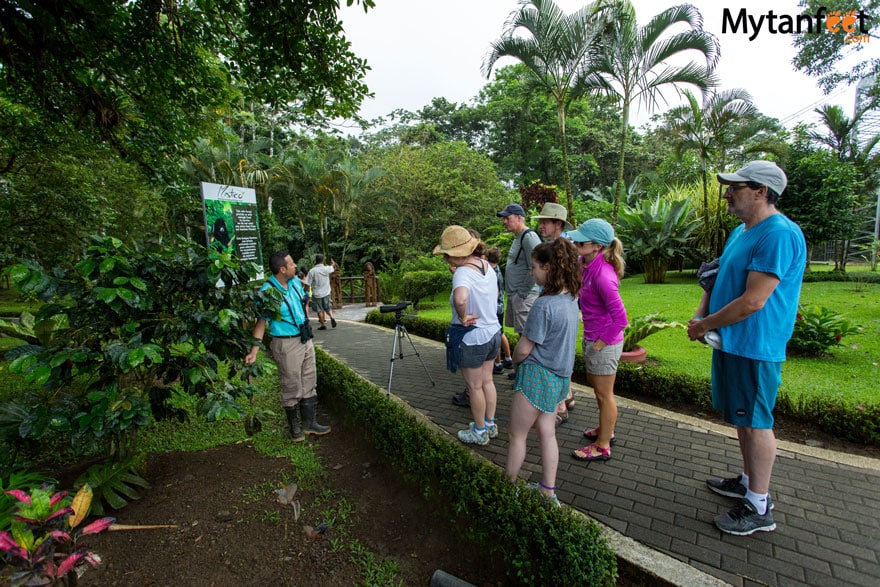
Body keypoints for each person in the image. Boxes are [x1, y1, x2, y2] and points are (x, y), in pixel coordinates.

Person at [687, 160, 806, 536]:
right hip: (733, 342)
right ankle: (748, 479)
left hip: (755, 345)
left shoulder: (778, 234)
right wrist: (701, 314)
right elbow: (718, 276)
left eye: (736, 187)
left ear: (761, 192)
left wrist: (706, 324)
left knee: (756, 423)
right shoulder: (742, 231)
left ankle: (759, 505)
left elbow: (755, 301)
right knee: (742, 417)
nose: (728, 193)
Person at [506, 239, 581, 507]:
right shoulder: (572, 299)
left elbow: (524, 349)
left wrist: (512, 360)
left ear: (549, 267)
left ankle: (507, 488)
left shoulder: (543, 305)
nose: (531, 272)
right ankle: (548, 492)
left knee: (517, 435)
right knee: (547, 432)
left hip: (536, 377)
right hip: (559, 380)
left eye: (535, 267)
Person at [245, 251, 331, 442]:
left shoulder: (293, 282)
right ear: (282, 269)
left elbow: (304, 298)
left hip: (305, 338)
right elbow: (261, 323)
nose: (295, 266)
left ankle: (309, 423)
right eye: (291, 264)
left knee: (309, 379)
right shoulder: (268, 293)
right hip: (286, 343)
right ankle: (294, 428)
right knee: (291, 384)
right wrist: (254, 351)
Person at [434, 225, 501, 446]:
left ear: (455, 253)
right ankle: (490, 425)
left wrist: (463, 316)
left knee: (474, 387)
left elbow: (460, 298)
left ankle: (479, 431)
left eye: (446, 254)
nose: (446, 259)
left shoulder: (462, 272)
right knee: (487, 381)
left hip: (473, 337)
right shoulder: (485, 265)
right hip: (493, 333)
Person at [569, 219, 628, 463]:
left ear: (596, 246)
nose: (576, 244)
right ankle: (606, 429)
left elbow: (621, 319)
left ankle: (603, 444)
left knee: (605, 395)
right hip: (593, 336)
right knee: (598, 390)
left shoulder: (604, 275)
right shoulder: (586, 262)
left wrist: (600, 344)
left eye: (580, 241)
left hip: (604, 341)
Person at [532, 202, 578, 423]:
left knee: (557, 351)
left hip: (559, 306)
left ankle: (560, 405)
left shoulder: (566, 247)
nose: (541, 225)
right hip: (558, 304)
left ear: (557, 223)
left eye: (545, 221)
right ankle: (566, 395)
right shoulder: (553, 244)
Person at [498, 203, 542, 380]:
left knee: (527, 336)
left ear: (519, 218)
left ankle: (528, 375)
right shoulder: (518, 237)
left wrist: (522, 292)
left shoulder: (529, 237)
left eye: (507, 218)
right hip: (517, 295)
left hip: (524, 296)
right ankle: (522, 371)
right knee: (522, 334)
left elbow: (538, 265)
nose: (505, 222)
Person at [486, 247, 513, 375]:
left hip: (494, 308)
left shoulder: (491, 272)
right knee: (500, 332)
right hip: (500, 306)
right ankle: (508, 358)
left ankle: (497, 363)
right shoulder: (497, 270)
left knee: (494, 334)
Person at [306, 253, 337, 330]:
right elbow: (333, 267)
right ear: (323, 260)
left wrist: (305, 291)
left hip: (317, 294)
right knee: (328, 307)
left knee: (319, 309)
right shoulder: (326, 269)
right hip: (326, 292)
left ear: (315, 260)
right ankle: (332, 317)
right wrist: (332, 263)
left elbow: (307, 284)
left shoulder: (312, 271)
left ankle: (322, 325)